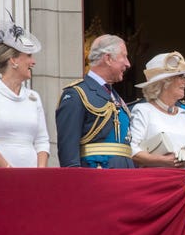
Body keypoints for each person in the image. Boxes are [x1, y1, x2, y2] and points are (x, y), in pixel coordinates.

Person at [56, 34, 134, 168]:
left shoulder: (115, 96)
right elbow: (68, 151)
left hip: (124, 176)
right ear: (108, 58)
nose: (128, 64)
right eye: (124, 56)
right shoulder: (77, 94)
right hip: (96, 177)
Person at [129, 52, 185, 168]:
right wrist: (163, 161)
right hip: (158, 182)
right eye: (180, 77)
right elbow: (132, 151)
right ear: (165, 82)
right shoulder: (143, 111)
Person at [0, 18, 49, 167]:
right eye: (29, 56)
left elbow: (42, 140)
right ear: (13, 61)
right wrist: (8, 170)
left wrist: (41, 173)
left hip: (31, 179)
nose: (33, 62)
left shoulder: (33, 97)